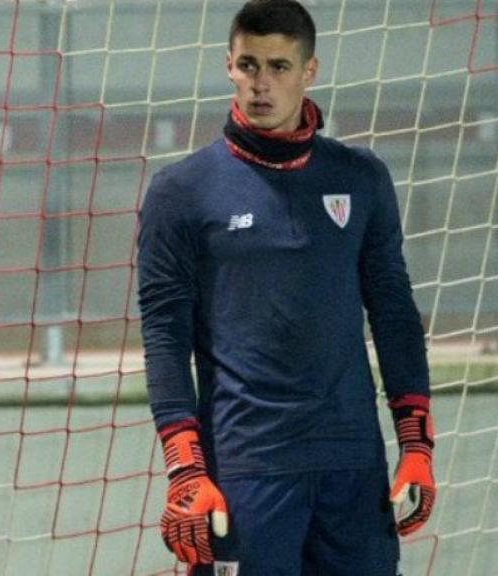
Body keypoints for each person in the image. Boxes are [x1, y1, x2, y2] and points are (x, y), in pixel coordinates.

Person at [136, 1, 435, 574]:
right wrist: (186, 470)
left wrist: (416, 445)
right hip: (247, 469)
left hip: (352, 466)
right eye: (248, 65)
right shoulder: (181, 192)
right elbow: (164, 337)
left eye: (277, 67)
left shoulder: (360, 177)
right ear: (229, 66)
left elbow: (394, 314)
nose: (260, 84)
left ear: (309, 71)